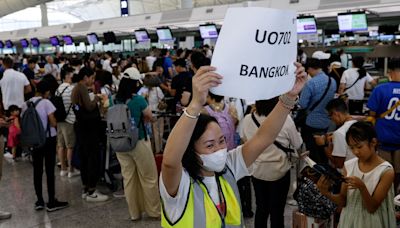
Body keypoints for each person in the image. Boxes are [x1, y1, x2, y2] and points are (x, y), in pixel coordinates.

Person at [160, 63, 307, 227]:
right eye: (210, 145)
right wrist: (195, 104)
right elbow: (170, 162)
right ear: (190, 149)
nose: (219, 149)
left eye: (221, 141)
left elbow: (264, 137)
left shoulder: (228, 167)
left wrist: (290, 96)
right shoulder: (180, 185)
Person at [317, 121, 396, 228]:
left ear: (373, 142)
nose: (356, 152)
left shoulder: (386, 171)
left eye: (359, 147)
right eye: (352, 148)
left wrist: (362, 187)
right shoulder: (349, 166)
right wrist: (326, 193)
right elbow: (343, 201)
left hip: (372, 222)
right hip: (349, 220)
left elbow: (372, 207)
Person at [241, 97, 302, 227]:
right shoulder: (285, 119)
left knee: (261, 208)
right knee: (277, 211)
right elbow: (297, 143)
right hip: (279, 171)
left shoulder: (247, 119)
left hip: (257, 170)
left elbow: (245, 140)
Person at [114, 67, 160, 221]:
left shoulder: (115, 99)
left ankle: (134, 213)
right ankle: (154, 211)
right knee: (149, 177)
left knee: (129, 179)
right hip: (138, 141)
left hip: (120, 143)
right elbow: (149, 116)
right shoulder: (138, 100)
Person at [22, 81, 69, 212]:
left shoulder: (25, 104)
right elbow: (53, 121)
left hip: (34, 141)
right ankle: (51, 201)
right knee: (49, 170)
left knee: (37, 170)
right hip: (48, 139)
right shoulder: (46, 103)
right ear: (46, 92)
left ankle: (39, 201)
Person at [71, 67, 109, 202]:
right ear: (85, 77)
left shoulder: (77, 88)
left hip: (81, 128)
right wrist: (97, 99)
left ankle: (86, 188)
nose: (93, 81)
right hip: (88, 129)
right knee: (92, 157)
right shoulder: (81, 88)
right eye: (92, 78)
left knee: (85, 158)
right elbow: (89, 106)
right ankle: (92, 190)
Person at [367, 58, 400, 193]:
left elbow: (372, 113)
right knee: (398, 172)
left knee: (383, 170)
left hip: (382, 138)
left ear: (389, 72)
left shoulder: (379, 90)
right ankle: (395, 193)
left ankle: (384, 193)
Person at [299, 54, 336, 164]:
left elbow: (303, 104)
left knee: (313, 152)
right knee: (323, 149)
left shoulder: (310, 83)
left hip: (311, 122)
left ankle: (316, 175)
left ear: (310, 69)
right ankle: (325, 171)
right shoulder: (332, 81)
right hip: (326, 123)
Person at [315, 98, 356, 170]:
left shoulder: (340, 133)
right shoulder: (358, 124)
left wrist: (324, 145)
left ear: (336, 113)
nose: (331, 119)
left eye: (330, 116)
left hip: (347, 174)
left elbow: (339, 164)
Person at [56, 66, 80, 178]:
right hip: (69, 120)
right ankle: (71, 170)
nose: (73, 76)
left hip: (59, 120)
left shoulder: (58, 89)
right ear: (67, 75)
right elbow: (77, 103)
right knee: (70, 146)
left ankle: (63, 169)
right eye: (72, 74)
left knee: (61, 145)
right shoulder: (71, 89)